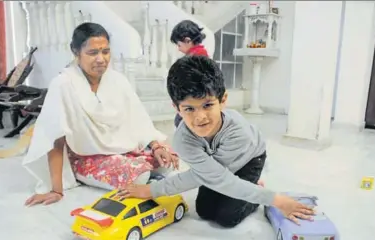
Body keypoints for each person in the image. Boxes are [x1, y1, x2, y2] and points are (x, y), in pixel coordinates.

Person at [116, 56, 315, 227]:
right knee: (204, 210)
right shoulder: (183, 140)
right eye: (189, 109)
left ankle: (256, 187)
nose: (200, 117)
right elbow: (205, 175)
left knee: (227, 218)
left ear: (223, 100)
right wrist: (150, 190)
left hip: (249, 158)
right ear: (177, 108)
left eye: (208, 105)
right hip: (216, 165)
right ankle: (247, 188)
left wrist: (278, 201)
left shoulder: (239, 133)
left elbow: (218, 179)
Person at [23, 22, 179, 206]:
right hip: (86, 157)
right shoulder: (63, 84)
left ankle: (145, 172)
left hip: (123, 149)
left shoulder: (118, 80)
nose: (101, 59)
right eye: (92, 53)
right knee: (140, 176)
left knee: (168, 160)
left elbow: (139, 121)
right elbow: (55, 138)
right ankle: (143, 177)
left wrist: (156, 147)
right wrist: (56, 189)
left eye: (105, 51)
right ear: (76, 52)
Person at [170, 19, 209, 128]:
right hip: (193, 102)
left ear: (187, 40)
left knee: (181, 124)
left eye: (179, 45)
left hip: (192, 101)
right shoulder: (200, 54)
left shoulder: (194, 58)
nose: (178, 49)